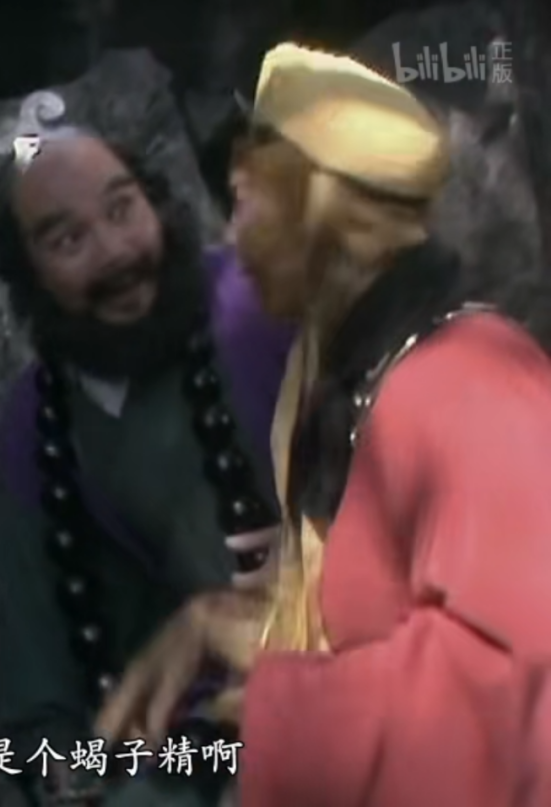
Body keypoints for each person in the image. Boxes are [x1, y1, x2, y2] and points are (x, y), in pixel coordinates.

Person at [96, 42, 551, 806]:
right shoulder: (353, 375)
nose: (232, 238)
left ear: (313, 211)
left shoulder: (472, 386)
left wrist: (285, 714)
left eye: (245, 201)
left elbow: (516, 692)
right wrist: (217, 623)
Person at [0, 96, 294, 806]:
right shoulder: (33, 434)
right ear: (28, 280)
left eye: (123, 209)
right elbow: (41, 708)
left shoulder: (266, 303)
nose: (117, 252)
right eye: (68, 240)